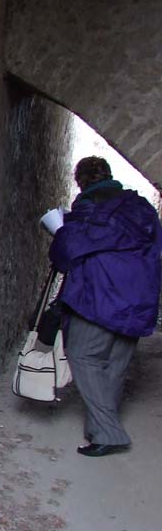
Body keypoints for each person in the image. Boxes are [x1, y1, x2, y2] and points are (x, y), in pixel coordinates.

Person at [49, 156, 162, 457]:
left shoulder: (89, 209)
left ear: (81, 181)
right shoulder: (142, 208)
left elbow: (66, 253)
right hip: (138, 298)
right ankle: (99, 427)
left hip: (100, 295)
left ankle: (109, 433)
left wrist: (61, 230)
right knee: (115, 363)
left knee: (82, 355)